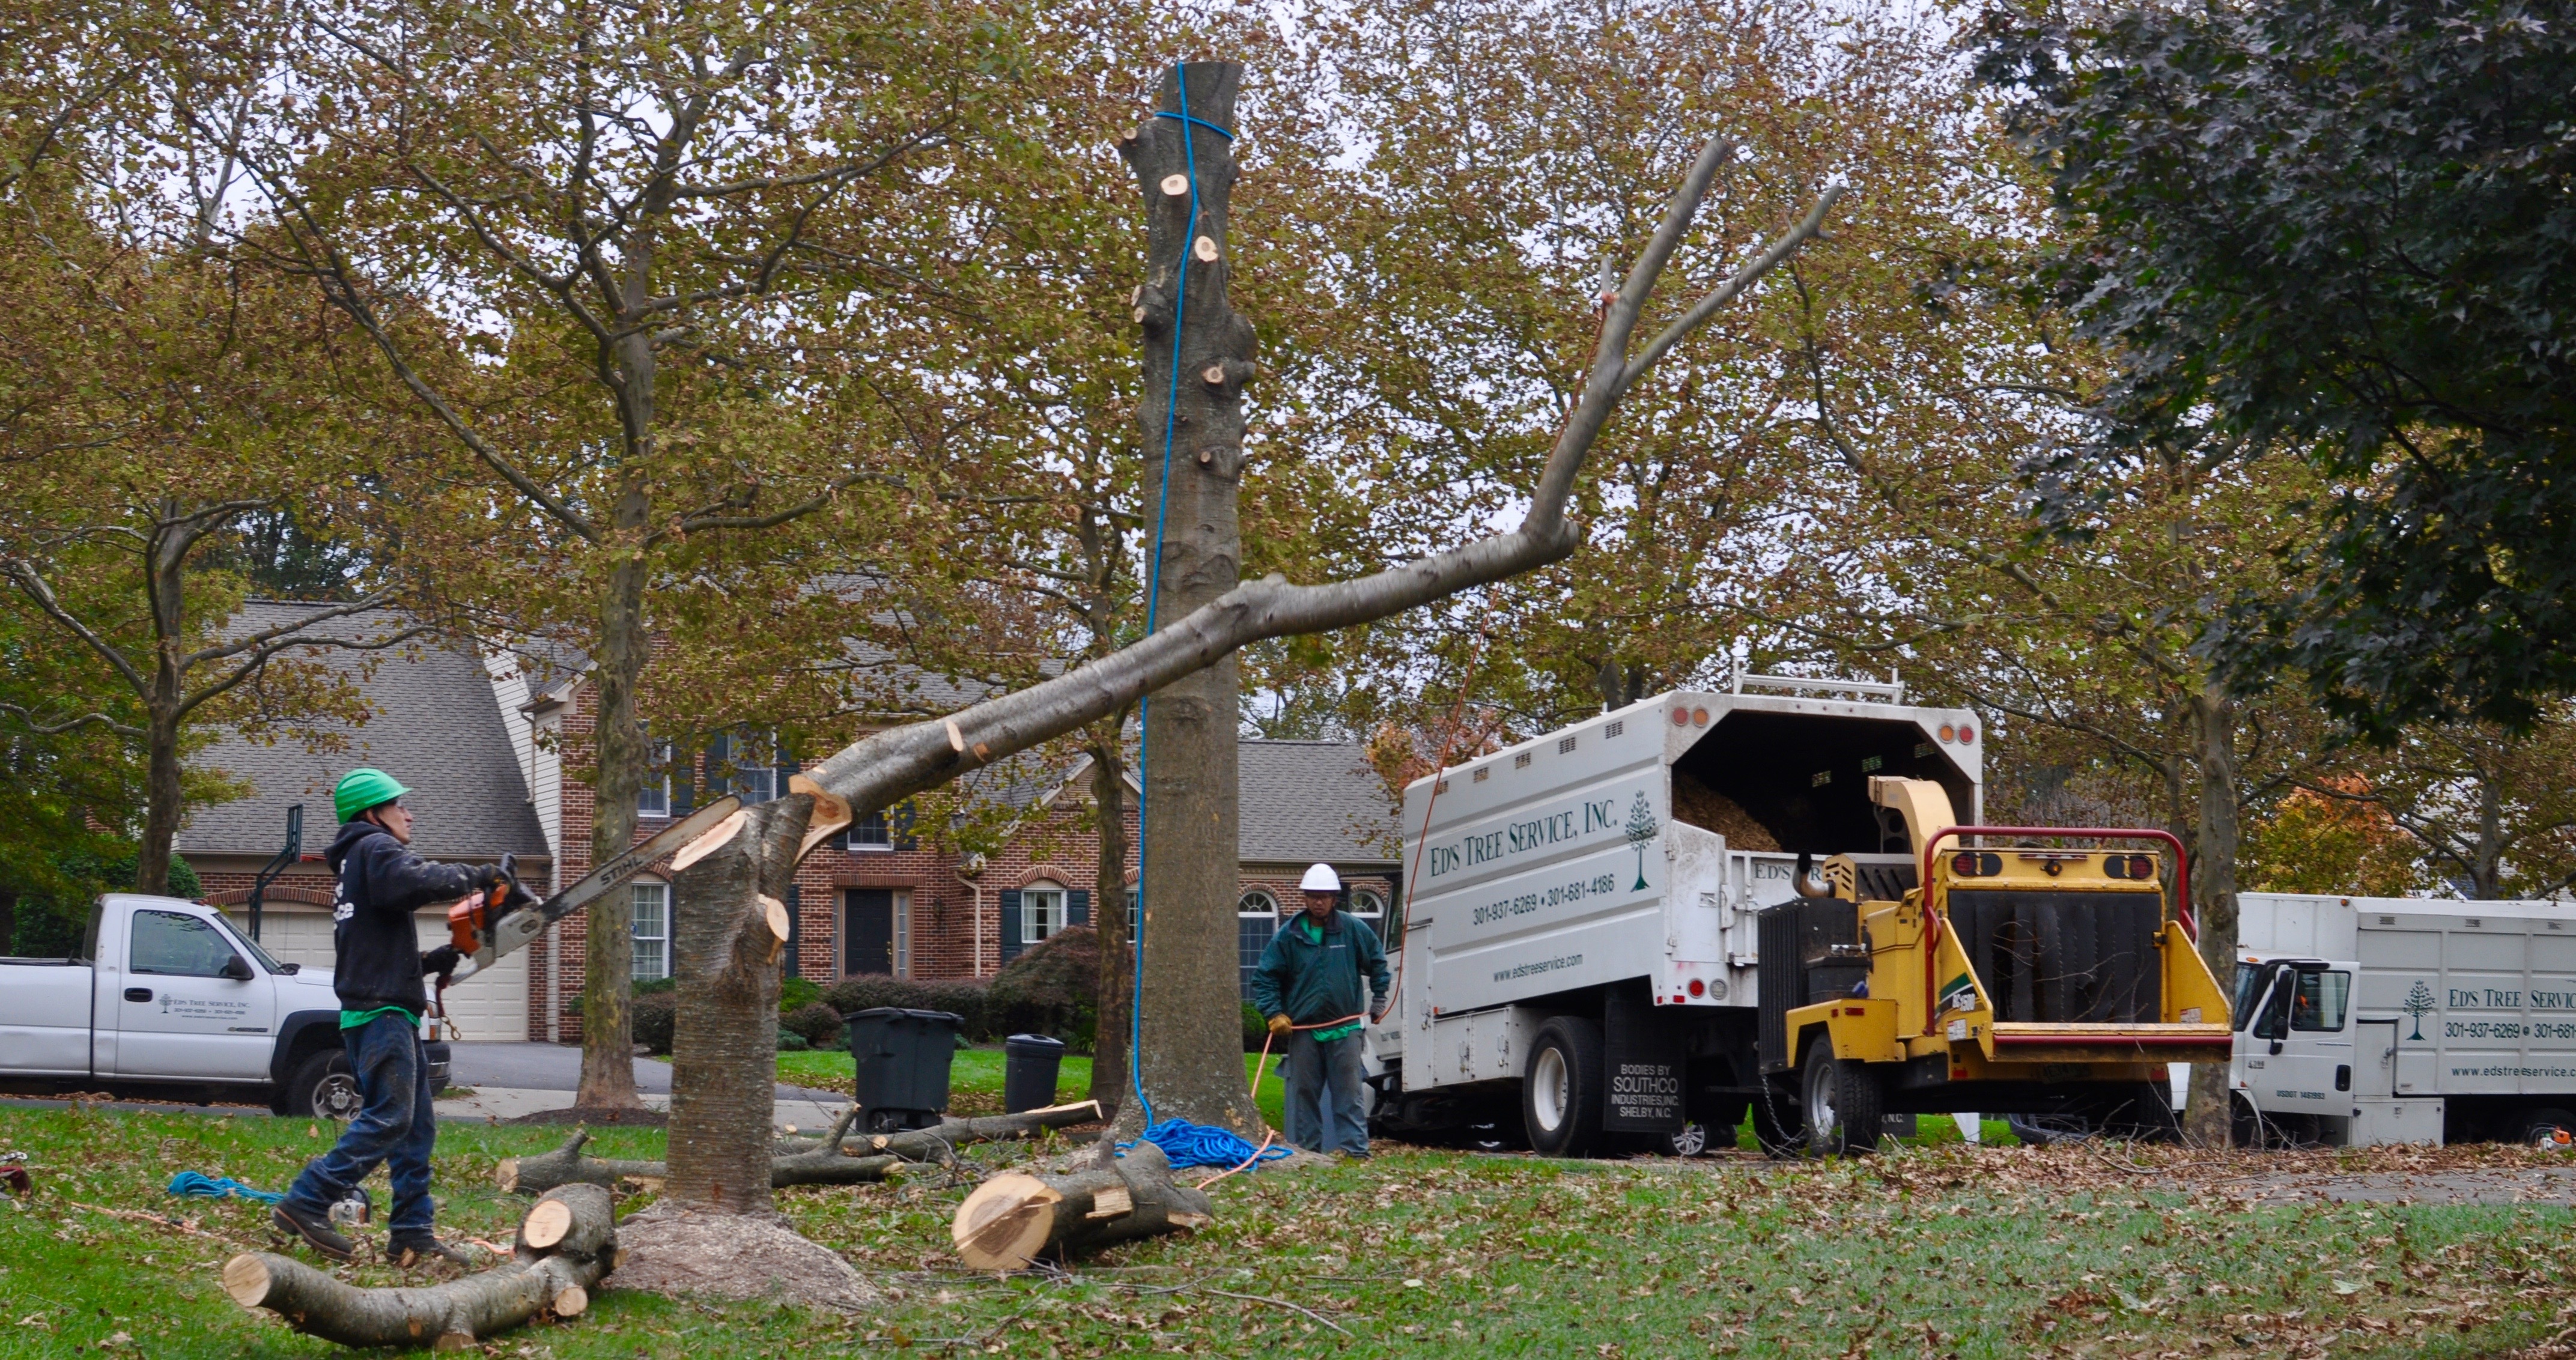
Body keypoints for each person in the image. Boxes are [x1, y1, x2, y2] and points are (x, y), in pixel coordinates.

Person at [271, 768, 499, 1269]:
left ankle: (412, 1234)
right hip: (382, 1015)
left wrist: (427, 962)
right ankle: (308, 1199)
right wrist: (478, 875)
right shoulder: (374, 849)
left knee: (416, 1128)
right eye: (399, 806)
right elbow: (417, 881)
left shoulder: (355, 864)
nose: (409, 813)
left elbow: (368, 953)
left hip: (375, 1007)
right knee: (392, 1116)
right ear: (372, 813)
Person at [1250, 863, 1391, 1158]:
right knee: (1304, 1096)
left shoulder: (1353, 930)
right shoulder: (1289, 936)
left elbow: (1378, 962)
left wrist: (1379, 1000)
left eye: (1325, 896)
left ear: (1334, 898)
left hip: (1345, 1029)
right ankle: (1307, 1154)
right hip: (1305, 1032)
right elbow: (1265, 977)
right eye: (1313, 896)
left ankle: (1356, 1154)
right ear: (1304, 897)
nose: (1319, 901)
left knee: (1349, 1095)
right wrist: (1274, 1013)